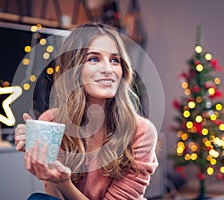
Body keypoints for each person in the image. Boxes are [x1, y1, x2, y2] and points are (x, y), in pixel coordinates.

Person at [15, 22, 158, 200]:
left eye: (115, 60)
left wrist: (64, 183)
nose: (108, 69)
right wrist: (48, 165)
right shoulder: (52, 121)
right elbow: (54, 197)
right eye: (93, 59)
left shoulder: (141, 131)